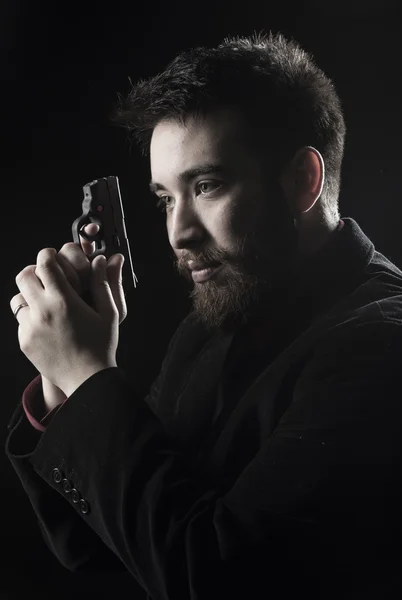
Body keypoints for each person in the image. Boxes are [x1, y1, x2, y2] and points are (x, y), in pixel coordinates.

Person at [6, 31, 402, 599]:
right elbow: (91, 544)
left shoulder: (383, 347)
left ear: (302, 181)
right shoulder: (213, 320)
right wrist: (60, 382)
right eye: (167, 197)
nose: (178, 232)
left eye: (207, 186)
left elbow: (216, 579)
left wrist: (88, 376)